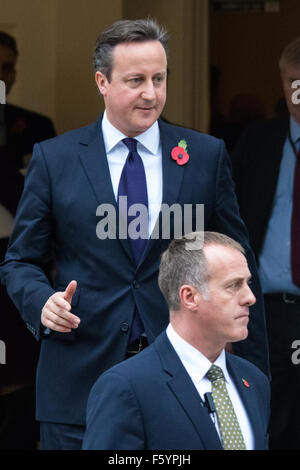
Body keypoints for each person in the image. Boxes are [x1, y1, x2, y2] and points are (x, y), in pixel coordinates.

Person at [0, 19, 268, 450]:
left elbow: (241, 263)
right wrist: (41, 303)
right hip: (78, 384)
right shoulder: (56, 159)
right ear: (102, 82)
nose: (151, 93)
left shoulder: (204, 156)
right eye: (136, 80)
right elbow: (20, 260)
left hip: (186, 382)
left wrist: (256, 378)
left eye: (159, 79)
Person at [83, 232, 270, 450]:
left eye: (247, 283)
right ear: (189, 297)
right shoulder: (126, 387)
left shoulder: (254, 381)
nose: (250, 297)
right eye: (233, 285)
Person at [232, 36, 300, 449]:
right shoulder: (258, 142)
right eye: (293, 81)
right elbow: (224, 220)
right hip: (266, 311)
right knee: (263, 421)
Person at [0, 32, 56, 449]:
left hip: (19, 263)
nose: (2, 77)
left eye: (7, 67)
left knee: (22, 375)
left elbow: (46, 207)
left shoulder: (35, 128)